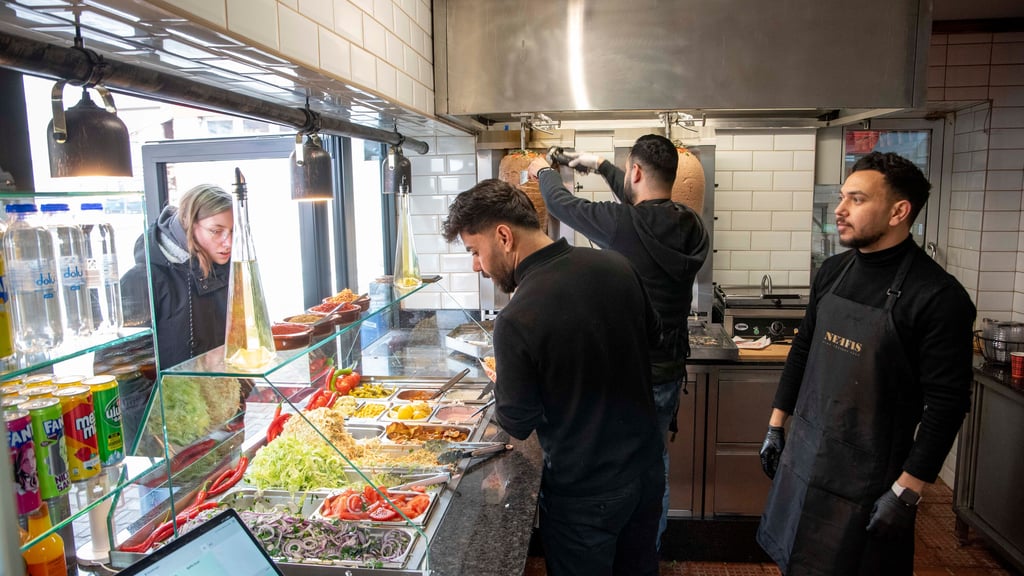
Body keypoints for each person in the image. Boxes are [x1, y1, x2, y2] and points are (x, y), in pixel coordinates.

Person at [755, 151, 975, 576]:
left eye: (856, 199)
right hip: (806, 458)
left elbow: (947, 404)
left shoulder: (938, 297)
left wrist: (908, 490)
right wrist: (775, 424)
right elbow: (802, 351)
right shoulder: (833, 272)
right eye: (842, 198)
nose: (839, 210)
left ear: (899, 211)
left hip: (869, 482)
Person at [442, 179, 665, 576]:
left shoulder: (516, 318)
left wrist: (504, 381)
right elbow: (654, 338)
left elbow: (517, 420)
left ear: (504, 236)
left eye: (475, 251)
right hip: (645, 473)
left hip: (584, 492)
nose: (476, 265)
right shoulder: (616, 264)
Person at [527, 134, 709, 547]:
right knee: (653, 463)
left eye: (628, 171)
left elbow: (560, 205)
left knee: (614, 468)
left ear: (638, 172)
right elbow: (645, 212)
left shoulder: (621, 225)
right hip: (668, 373)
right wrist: (603, 167)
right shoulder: (693, 227)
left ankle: (611, 548)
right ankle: (647, 551)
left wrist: (543, 172)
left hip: (627, 375)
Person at [121, 184, 234, 370]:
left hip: (219, 395)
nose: (228, 242)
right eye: (216, 231)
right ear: (188, 224)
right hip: (170, 398)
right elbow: (124, 370)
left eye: (232, 231)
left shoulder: (228, 268)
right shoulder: (140, 281)